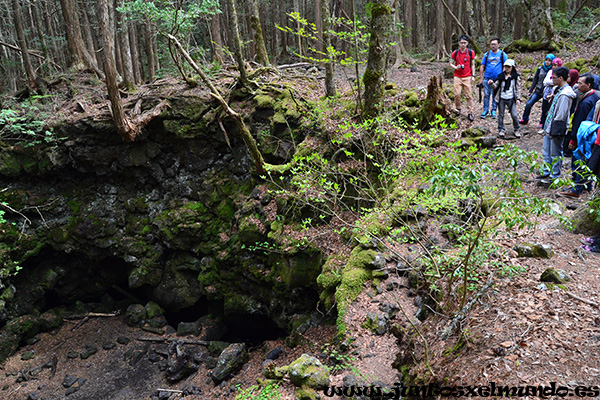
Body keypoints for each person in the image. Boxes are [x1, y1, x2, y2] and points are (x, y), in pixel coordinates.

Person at [560, 74, 600, 197]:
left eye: (580, 83)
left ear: (588, 85)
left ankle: (576, 188)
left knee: (578, 161)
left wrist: (573, 139)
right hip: (590, 135)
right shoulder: (593, 98)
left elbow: (580, 121)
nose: (577, 85)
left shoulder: (587, 101)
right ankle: (586, 186)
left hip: (585, 136)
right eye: (577, 83)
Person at [537, 67, 576, 184]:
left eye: (553, 78)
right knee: (546, 151)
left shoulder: (565, 94)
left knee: (555, 152)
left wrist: (553, 127)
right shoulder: (558, 90)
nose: (551, 79)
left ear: (561, 78)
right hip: (549, 126)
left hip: (556, 127)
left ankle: (555, 176)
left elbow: (561, 115)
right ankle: (546, 172)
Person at [520, 54, 555, 126]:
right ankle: (525, 119)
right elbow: (535, 80)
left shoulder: (553, 71)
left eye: (549, 60)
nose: (547, 62)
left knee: (544, 108)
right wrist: (530, 90)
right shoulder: (540, 69)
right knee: (529, 104)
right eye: (546, 60)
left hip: (547, 92)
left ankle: (542, 122)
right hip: (538, 90)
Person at [489, 59, 520, 138]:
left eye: (508, 67)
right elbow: (495, 86)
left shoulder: (515, 77)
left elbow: (517, 88)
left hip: (511, 99)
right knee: (501, 115)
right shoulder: (501, 76)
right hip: (501, 98)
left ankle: (517, 129)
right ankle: (501, 129)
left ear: (512, 67)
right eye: (505, 66)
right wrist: (491, 83)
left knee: (514, 115)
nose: (507, 68)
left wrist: (518, 98)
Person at [478, 38, 507, 119]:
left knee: (495, 95)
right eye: (491, 44)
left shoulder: (502, 54)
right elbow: (482, 65)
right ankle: (485, 110)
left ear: (498, 45)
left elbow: (506, 65)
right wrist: (481, 78)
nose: (492, 46)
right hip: (487, 77)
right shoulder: (487, 54)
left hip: (497, 79)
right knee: (486, 95)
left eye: (494, 44)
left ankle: (493, 110)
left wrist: (502, 76)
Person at [450, 35, 476, 121]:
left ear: (467, 43)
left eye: (465, 43)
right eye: (461, 43)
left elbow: (472, 64)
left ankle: (470, 112)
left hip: (467, 76)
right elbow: (451, 63)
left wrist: (473, 75)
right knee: (457, 94)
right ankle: (458, 109)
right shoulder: (455, 52)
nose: (463, 44)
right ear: (459, 43)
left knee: (468, 95)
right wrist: (455, 67)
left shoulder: (471, 52)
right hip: (457, 76)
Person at [538, 58, 564, 133]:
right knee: (544, 108)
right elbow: (545, 82)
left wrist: (551, 82)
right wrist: (552, 82)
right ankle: (542, 124)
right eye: (553, 65)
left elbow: (554, 82)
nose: (553, 67)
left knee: (551, 109)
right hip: (547, 92)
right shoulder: (550, 72)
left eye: (555, 65)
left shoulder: (562, 74)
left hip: (554, 93)